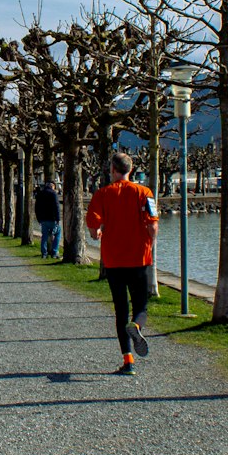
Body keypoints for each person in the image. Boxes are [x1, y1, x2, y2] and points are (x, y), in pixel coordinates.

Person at [84, 152, 158, 376]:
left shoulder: (102, 194)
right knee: (141, 307)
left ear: (112, 170)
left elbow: (93, 228)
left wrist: (97, 232)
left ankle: (128, 361)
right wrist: (149, 244)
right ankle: (136, 327)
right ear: (131, 169)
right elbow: (153, 224)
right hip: (139, 259)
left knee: (120, 309)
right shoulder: (144, 193)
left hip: (114, 261)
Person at [34, 179, 61, 258]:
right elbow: (56, 207)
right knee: (58, 232)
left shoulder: (40, 194)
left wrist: (38, 218)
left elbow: (36, 208)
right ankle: (55, 252)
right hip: (52, 218)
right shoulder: (53, 194)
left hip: (43, 219)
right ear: (52, 186)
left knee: (44, 236)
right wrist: (58, 219)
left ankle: (44, 253)